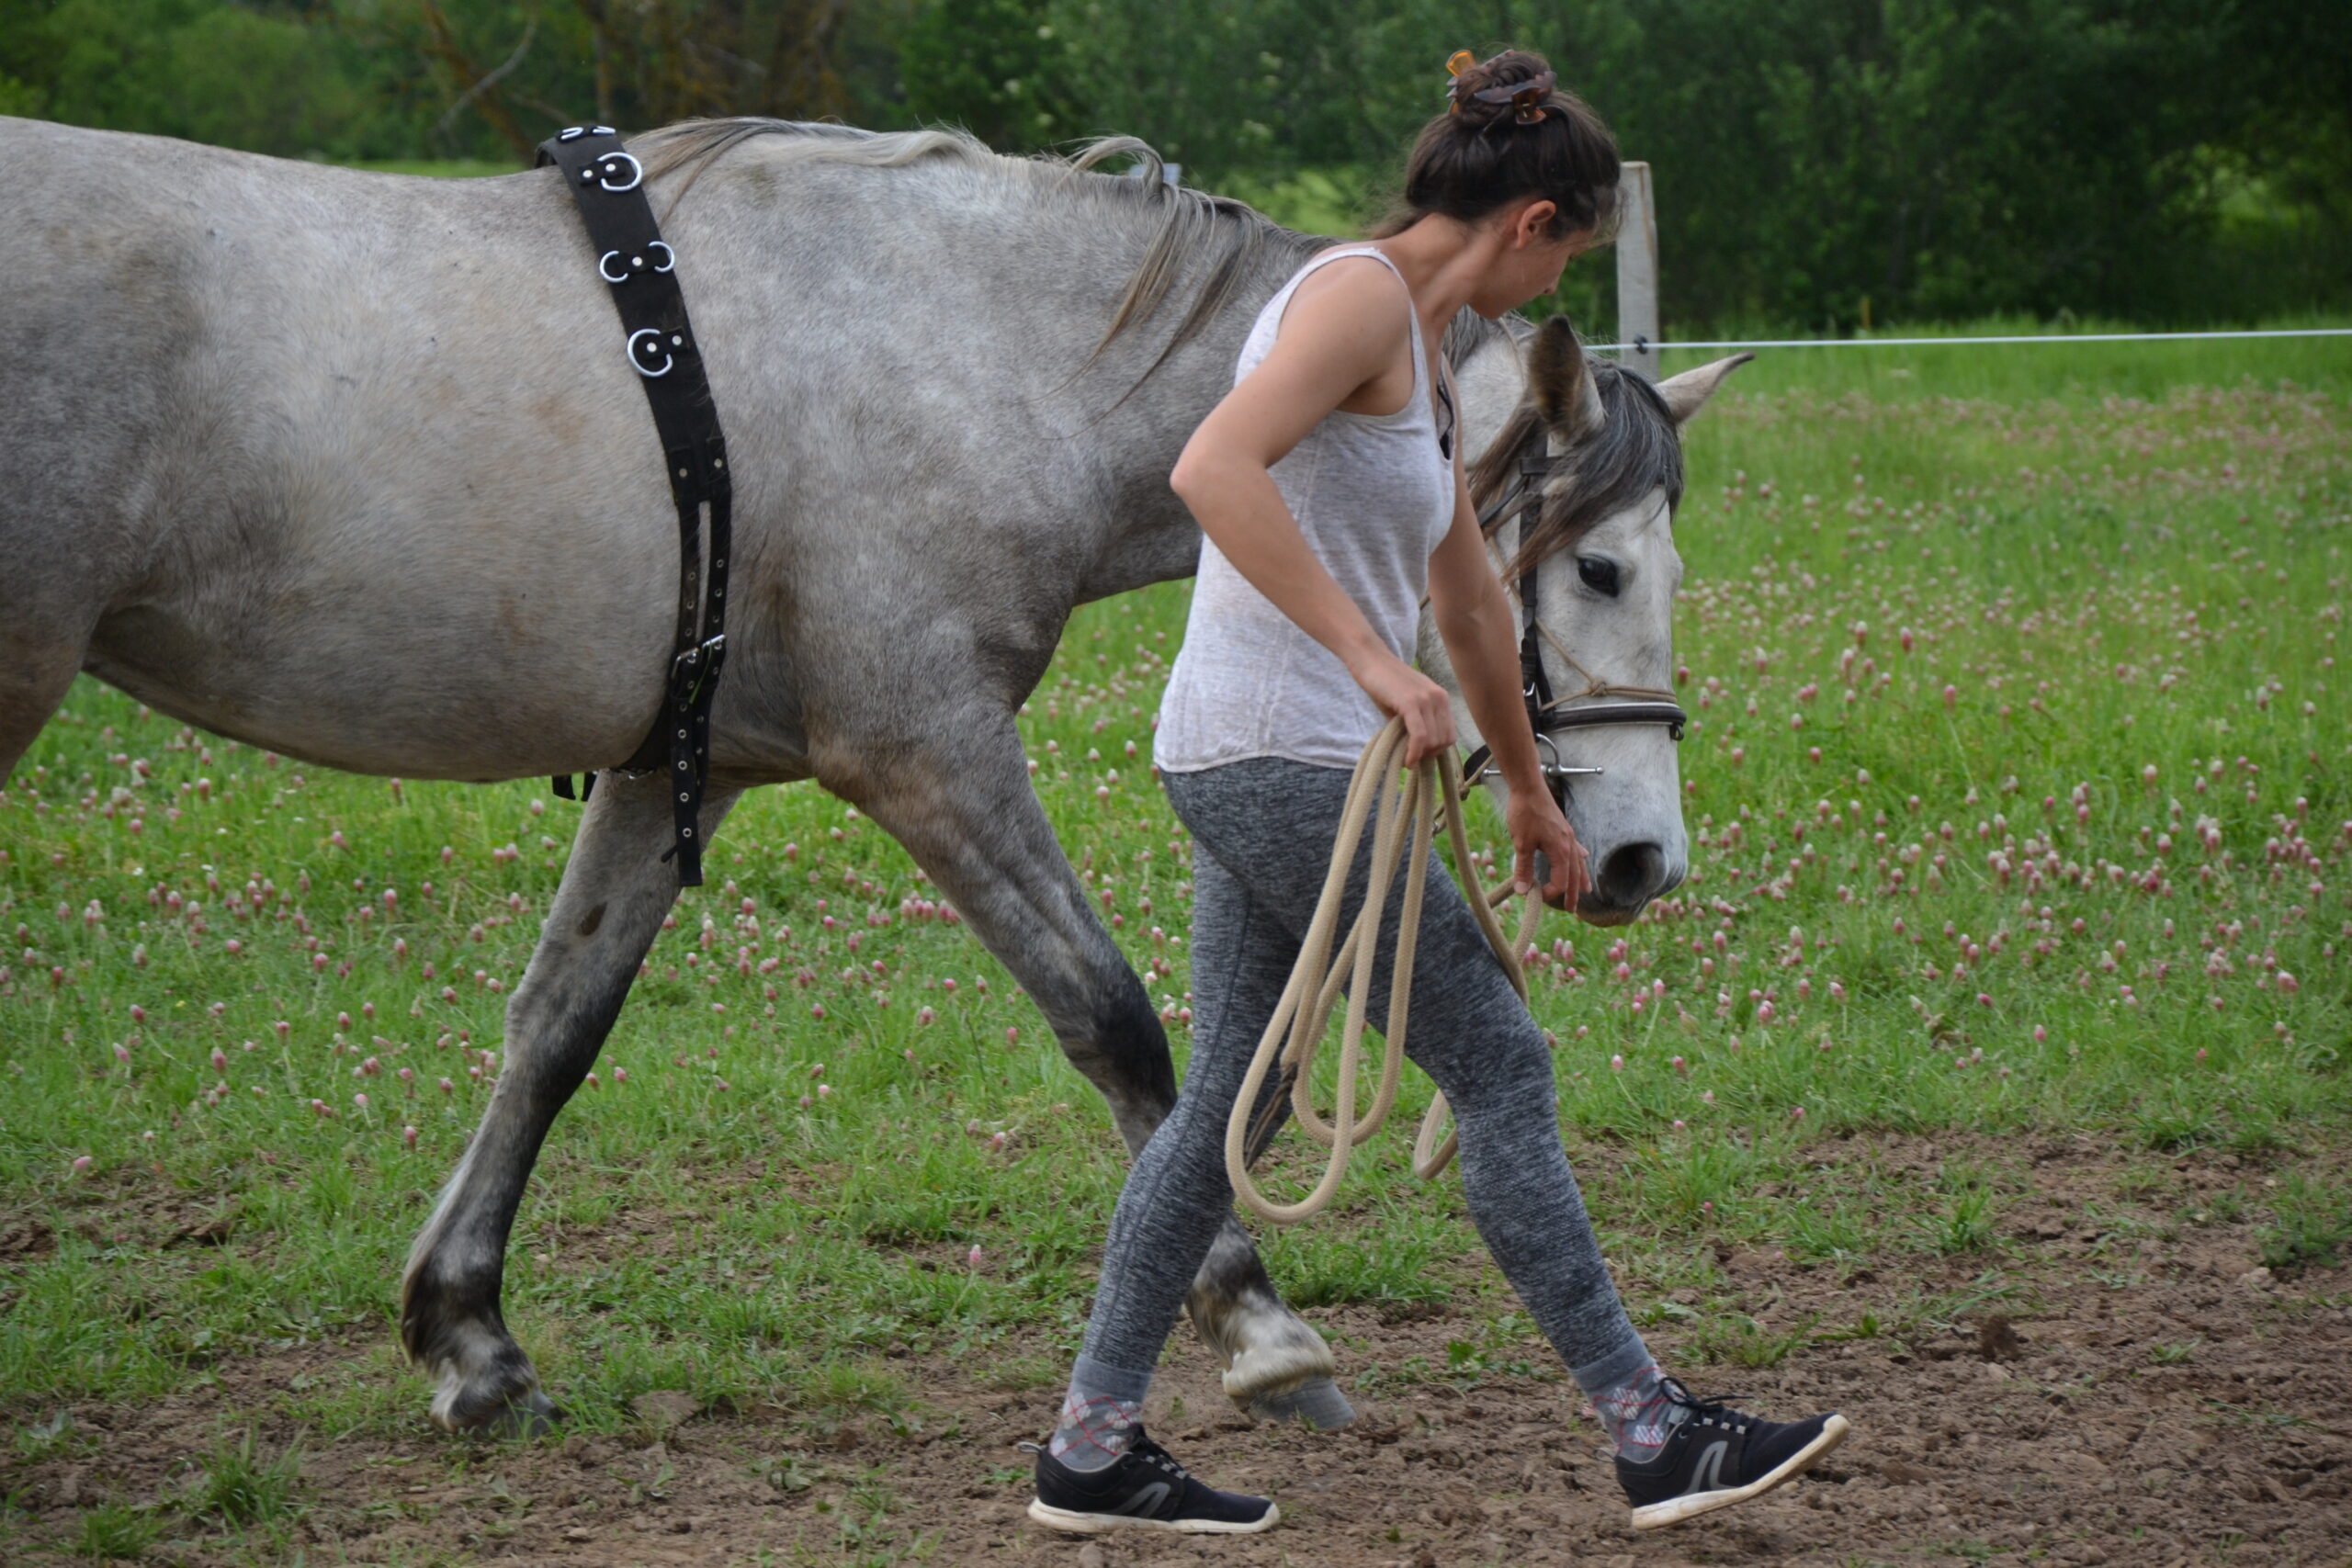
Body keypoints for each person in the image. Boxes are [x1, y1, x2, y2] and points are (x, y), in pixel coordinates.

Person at [1027, 49, 1849, 1538]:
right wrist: (1367, 663)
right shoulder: (1353, 300)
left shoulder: (1425, 336)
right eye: (1564, 265)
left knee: (1229, 1100)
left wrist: (1528, 793)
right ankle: (1652, 1431)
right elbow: (1213, 471)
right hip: (1275, 750)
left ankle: (1090, 1447)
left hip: (1272, 753)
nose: (1547, 304)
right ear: (1531, 221)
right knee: (1504, 1069)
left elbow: (1468, 593)